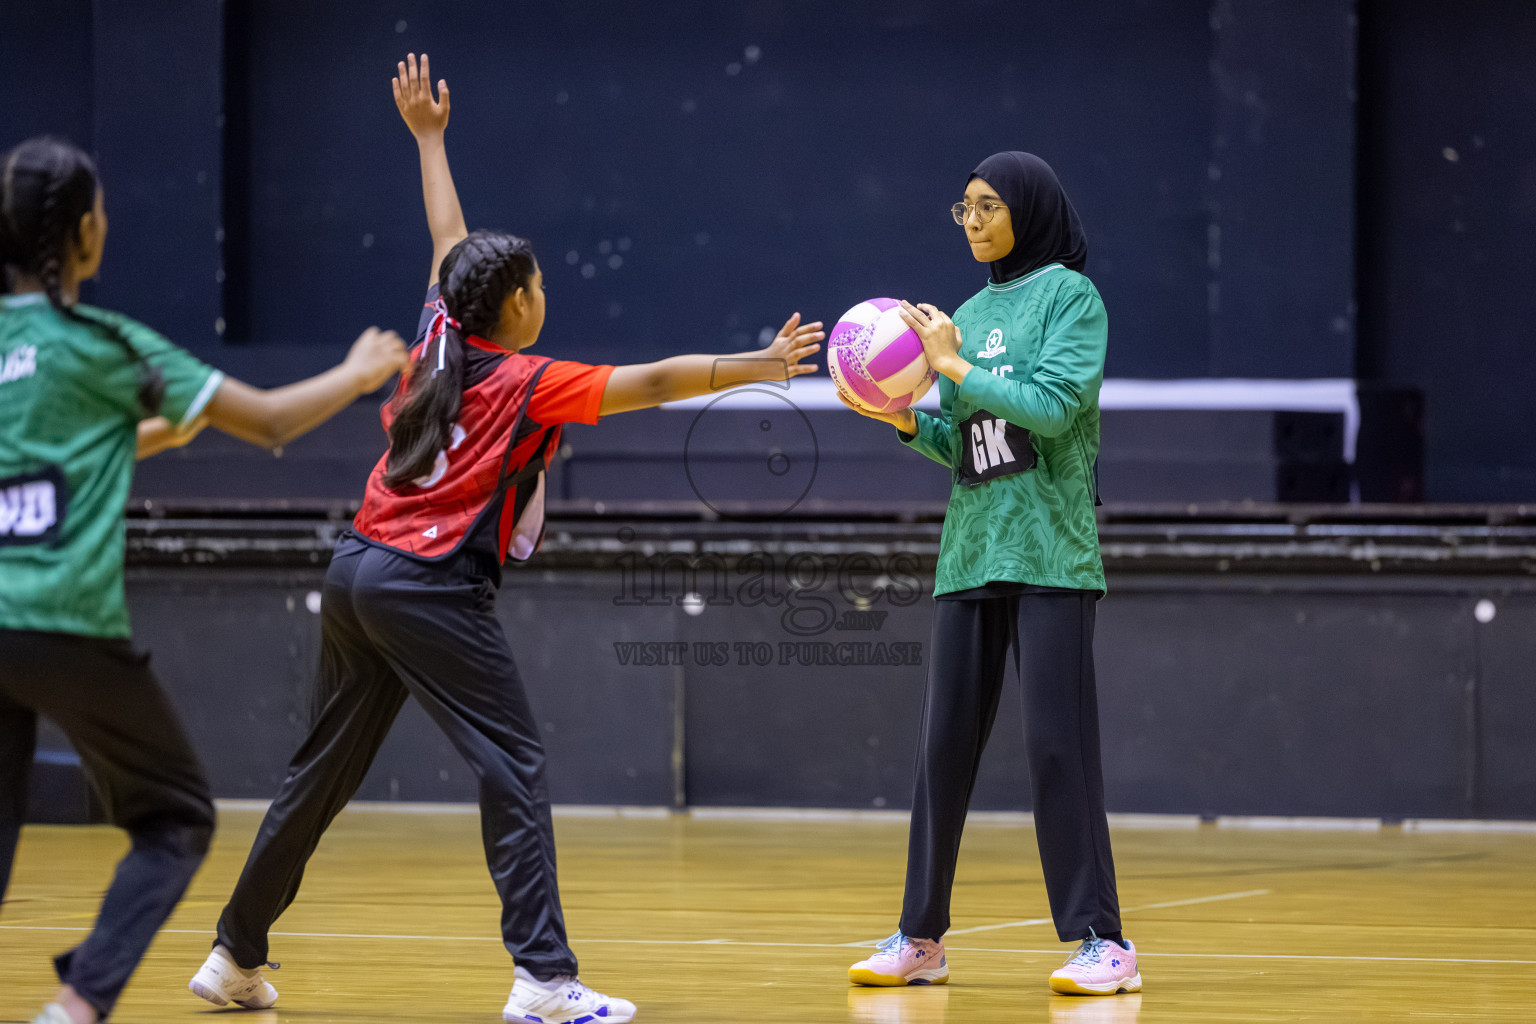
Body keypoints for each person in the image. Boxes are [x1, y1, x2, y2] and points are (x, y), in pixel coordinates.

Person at [187, 54, 823, 1024]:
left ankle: (235, 954)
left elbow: (450, 240)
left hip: (356, 567)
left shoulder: (442, 328)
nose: (539, 291)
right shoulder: (528, 378)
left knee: (319, 770)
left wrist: (431, 141)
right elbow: (653, 380)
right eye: (534, 283)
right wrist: (763, 363)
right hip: (427, 583)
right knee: (513, 761)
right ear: (517, 305)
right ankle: (544, 978)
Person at [0, 135, 409, 1024]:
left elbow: (57, 454)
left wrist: (147, 432)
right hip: (62, 621)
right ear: (81, 234)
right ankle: (76, 1004)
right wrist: (359, 372)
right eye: (100, 210)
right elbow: (265, 423)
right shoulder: (105, 343)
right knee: (177, 816)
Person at [839, 152, 1140, 996]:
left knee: (1057, 748)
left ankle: (1103, 942)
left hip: (1050, 553)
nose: (971, 221)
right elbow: (976, 448)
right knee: (941, 750)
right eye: (963, 209)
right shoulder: (966, 312)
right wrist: (903, 417)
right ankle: (921, 937)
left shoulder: (1072, 299)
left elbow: (1047, 409)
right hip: (971, 550)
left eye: (987, 207)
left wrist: (957, 366)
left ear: (1030, 211)